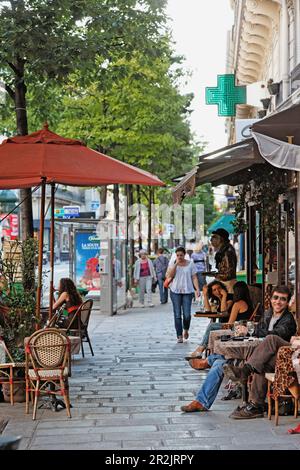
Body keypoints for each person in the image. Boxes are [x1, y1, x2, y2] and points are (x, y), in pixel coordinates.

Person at [180, 285, 297, 413]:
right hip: (255, 353)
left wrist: (252, 331)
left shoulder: (288, 319)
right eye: (275, 298)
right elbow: (262, 331)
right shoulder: (268, 314)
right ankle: (201, 401)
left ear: (287, 303)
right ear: (271, 299)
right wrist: (249, 331)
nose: (278, 302)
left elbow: (275, 334)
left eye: (283, 299)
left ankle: (236, 369)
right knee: (219, 364)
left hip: (273, 358)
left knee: (266, 342)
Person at [188, 281, 252, 361]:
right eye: (214, 290)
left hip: (236, 329)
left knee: (212, 326)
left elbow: (230, 323)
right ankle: (203, 351)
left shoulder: (237, 303)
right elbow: (208, 310)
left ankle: (201, 349)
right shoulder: (245, 302)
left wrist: (225, 295)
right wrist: (205, 295)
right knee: (212, 326)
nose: (217, 291)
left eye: (219, 288)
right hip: (239, 327)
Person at [166, 246, 200, 343]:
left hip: (187, 292)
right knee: (177, 314)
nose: (179, 257)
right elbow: (170, 276)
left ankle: (186, 329)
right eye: (177, 255)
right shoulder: (173, 264)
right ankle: (179, 335)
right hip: (175, 291)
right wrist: (176, 264)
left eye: (181, 255)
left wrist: (197, 289)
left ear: (184, 255)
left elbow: (194, 277)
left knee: (187, 315)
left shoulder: (190, 264)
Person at [210, 228, 237, 293]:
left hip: (228, 285)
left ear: (220, 239)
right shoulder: (223, 250)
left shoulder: (227, 251)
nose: (211, 240)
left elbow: (229, 273)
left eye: (214, 237)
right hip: (224, 283)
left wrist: (216, 275)